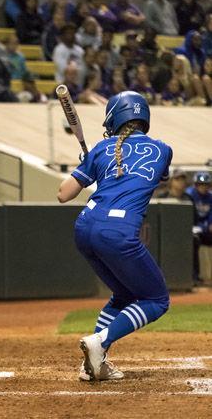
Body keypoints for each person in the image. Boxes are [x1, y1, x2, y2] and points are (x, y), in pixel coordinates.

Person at [57, 91, 172, 382]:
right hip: (118, 233)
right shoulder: (163, 149)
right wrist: (96, 161)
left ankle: (91, 365)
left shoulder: (101, 149)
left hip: (84, 228)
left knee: (123, 295)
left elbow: (64, 194)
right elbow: (155, 176)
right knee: (157, 300)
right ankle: (101, 343)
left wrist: (88, 164)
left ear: (113, 118)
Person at [185, 172, 212, 285]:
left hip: (205, 228)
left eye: (206, 184)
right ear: (195, 185)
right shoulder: (189, 195)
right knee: (194, 241)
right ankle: (194, 276)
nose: (203, 187)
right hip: (192, 228)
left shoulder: (210, 197)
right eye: (200, 184)